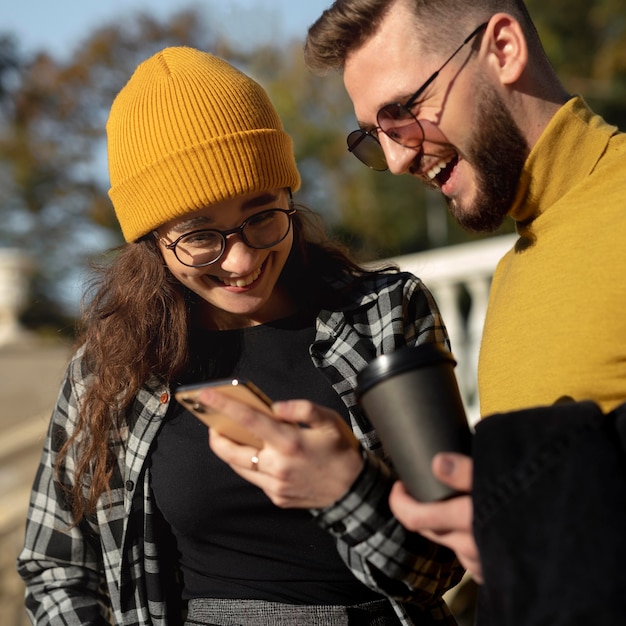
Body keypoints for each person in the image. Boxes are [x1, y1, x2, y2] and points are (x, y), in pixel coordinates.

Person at [16, 46, 465, 626]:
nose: (243, 259)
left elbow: (445, 562)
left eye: (262, 216)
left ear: (290, 197)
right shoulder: (113, 365)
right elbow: (56, 566)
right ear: (152, 243)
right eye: (201, 237)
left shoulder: (386, 314)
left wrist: (347, 488)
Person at [304, 0, 626, 623]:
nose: (395, 158)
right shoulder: (517, 266)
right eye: (375, 135)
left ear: (503, 49)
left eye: (403, 112)